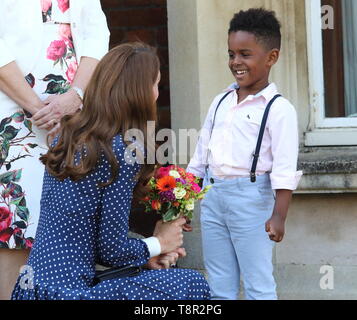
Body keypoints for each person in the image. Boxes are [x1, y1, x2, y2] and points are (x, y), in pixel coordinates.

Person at [11, 42, 211, 300]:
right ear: (139, 93)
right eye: (155, 86)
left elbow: (84, 240)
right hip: (68, 293)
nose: (156, 94)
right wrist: (161, 242)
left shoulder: (68, 136)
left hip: (31, 290)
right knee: (191, 283)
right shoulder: (122, 149)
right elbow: (112, 250)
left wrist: (147, 254)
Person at [187, 8, 302, 300]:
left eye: (245, 54)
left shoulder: (279, 109)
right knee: (219, 285)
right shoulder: (221, 101)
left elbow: (285, 169)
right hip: (212, 197)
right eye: (231, 54)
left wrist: (279, 216)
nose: (236, 62)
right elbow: (201, 155)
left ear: (271, 57)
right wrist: (187, 201)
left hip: (252, 200)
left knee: (257, 284)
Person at [0, 0, 110, 299]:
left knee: (66, 230)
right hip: (13, 118)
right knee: (17, 228)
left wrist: (75, 96)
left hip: (74, 119)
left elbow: (97, 34)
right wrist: (40, 109)